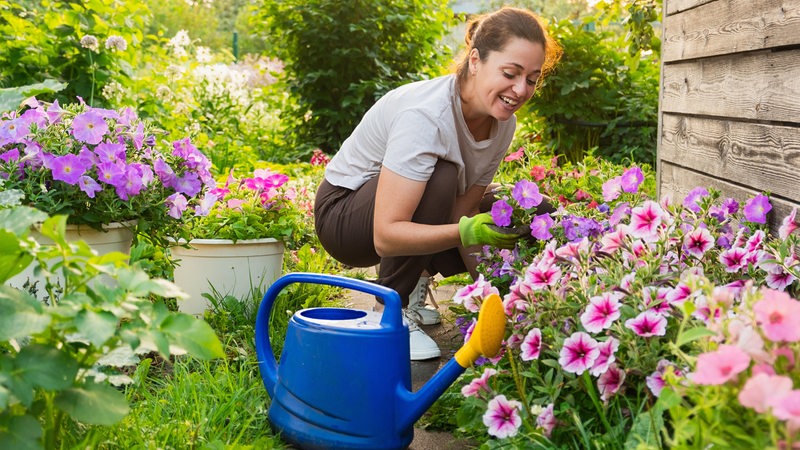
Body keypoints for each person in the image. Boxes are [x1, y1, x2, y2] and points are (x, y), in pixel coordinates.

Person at [314, 7, 561, 360]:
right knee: (441, 177)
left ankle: (415, 277)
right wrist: (468, 231)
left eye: (533, 79)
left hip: (414, 209)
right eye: (510, 73)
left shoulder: (503, 122)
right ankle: (388, 312)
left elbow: (464, 211)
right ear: (475, 60)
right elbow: (387, 233)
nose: (521, 90)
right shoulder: (427, 116)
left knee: (529, 211)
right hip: (345, 217)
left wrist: (494, 304)